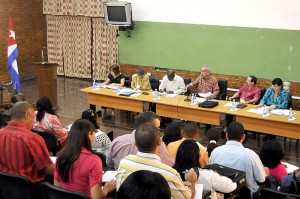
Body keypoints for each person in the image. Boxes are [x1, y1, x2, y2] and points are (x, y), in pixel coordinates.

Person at [116, 122, 197, 199]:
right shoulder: (170, 174)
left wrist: (180, 184)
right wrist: (192, 181)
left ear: (135, 143)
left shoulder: (124, 163)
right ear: (159, 142)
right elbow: (188, 197)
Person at [54, 119, 115, 199]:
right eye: (94, 133)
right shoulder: (94, 160)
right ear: (90, 134)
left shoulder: (61, 156)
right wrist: (106, 189)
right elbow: (96, 197)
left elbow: (57, 187)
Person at [0, 101, 54, 183]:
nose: (33, 122)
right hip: (31, 190)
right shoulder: (33, 139)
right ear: (27, 115)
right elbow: (48, 169)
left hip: (5, 188)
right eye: (33, 118)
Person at [210, 122, 267, 195]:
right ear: (243, 137)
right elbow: (261, 179)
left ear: (226, 135)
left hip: (221, 193)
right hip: (245, 195)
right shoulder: (251, 155)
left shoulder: (215, 152)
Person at [106, 111, 174, 169]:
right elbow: (170, 166)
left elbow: (109, 164)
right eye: (157, 128)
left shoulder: (117, 141)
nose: (158, 131)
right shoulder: (158, 145)